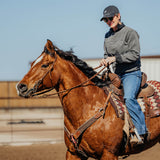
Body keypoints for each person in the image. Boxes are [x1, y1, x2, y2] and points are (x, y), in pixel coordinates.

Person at [100, 5, 148, 143]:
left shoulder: (130, 32)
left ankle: (141, 131)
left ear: (118, 16)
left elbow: (135, 54)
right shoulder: (107, 36)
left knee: (128, 98)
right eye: (106, 20)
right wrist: (105, 61)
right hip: (116, 74)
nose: (109, 21)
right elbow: (107, 54)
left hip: (131, 73)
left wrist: (115, 58)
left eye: (111, 18)